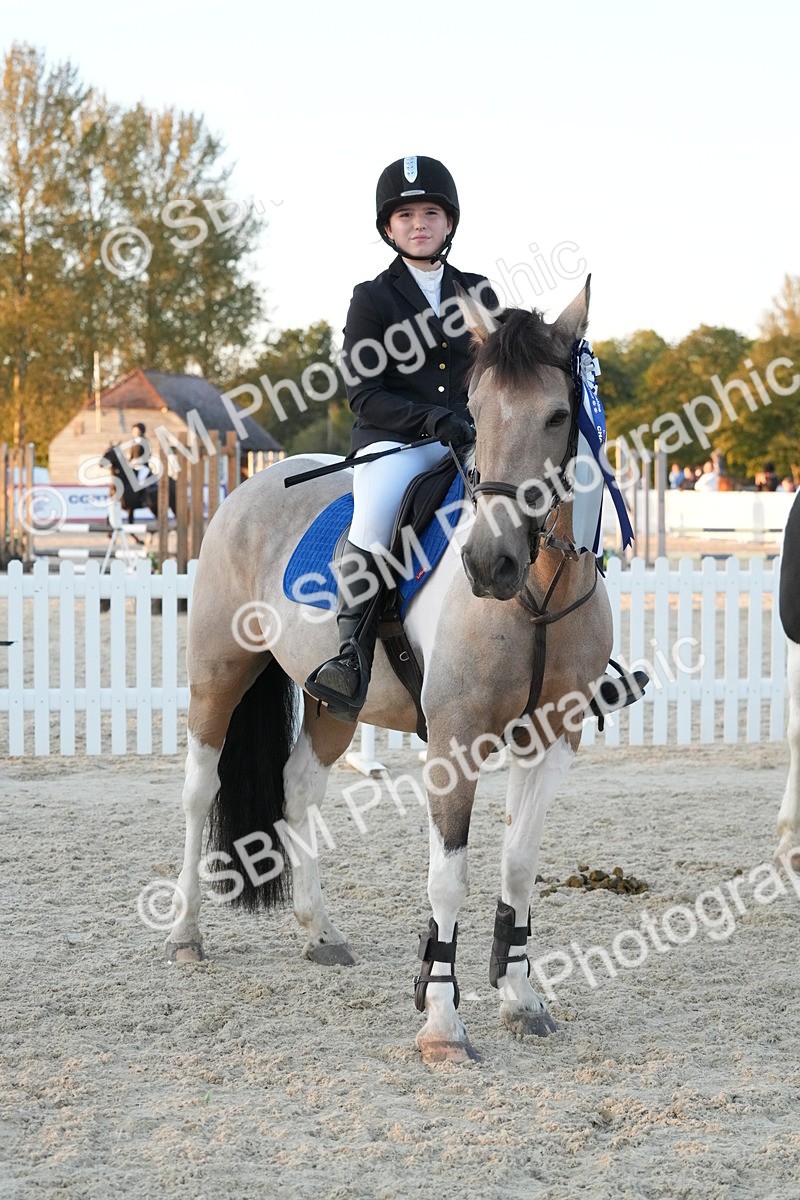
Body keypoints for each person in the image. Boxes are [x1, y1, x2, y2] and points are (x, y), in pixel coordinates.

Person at [306, 156, 495, 720]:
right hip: (396, 443)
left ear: (449, 222)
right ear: (388, 228)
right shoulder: (373, 297)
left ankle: (579, 647)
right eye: (406, 215)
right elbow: (363, 392)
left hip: (470, 439)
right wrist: (432, 420)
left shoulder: (478, 290)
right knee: (378, 510)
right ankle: (351, 655)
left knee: (537, 492)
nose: (419, 224)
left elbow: (500, 370)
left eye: (431, 213)